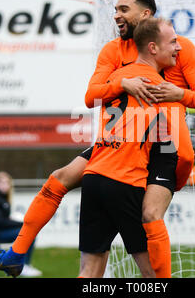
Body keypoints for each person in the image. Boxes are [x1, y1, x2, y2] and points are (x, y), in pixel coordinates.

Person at [0, 0, 195, 278]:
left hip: (162, 148)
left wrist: (179, 94)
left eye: (124, 9)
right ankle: (16, 252)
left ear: (146, 14)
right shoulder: (113, 50)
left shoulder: (176, 46)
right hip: (123, 143)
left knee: (150, 215)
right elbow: (92, 96)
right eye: (116, 9)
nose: (117, 15)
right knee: (60, 178)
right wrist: (123, 85)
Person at [78, 17, 182, 278]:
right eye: (173, 42)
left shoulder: (117, 77)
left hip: (94, 179)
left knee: (89, 273)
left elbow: (92, 97)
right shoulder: (158, 87)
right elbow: (173, 142)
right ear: (153, 48)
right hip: (125, 182)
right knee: (153, 275)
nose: (179, 48)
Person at [0, 171, 42, 277]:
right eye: (2, 183)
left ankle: (25, 264)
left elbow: (4, 219)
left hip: (0, 231)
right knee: (27, 234)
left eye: (7, 183)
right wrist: (21, 223)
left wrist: (17, 222)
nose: (5, 185)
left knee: (29, 233)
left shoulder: (3, 199)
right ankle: (23, 265)